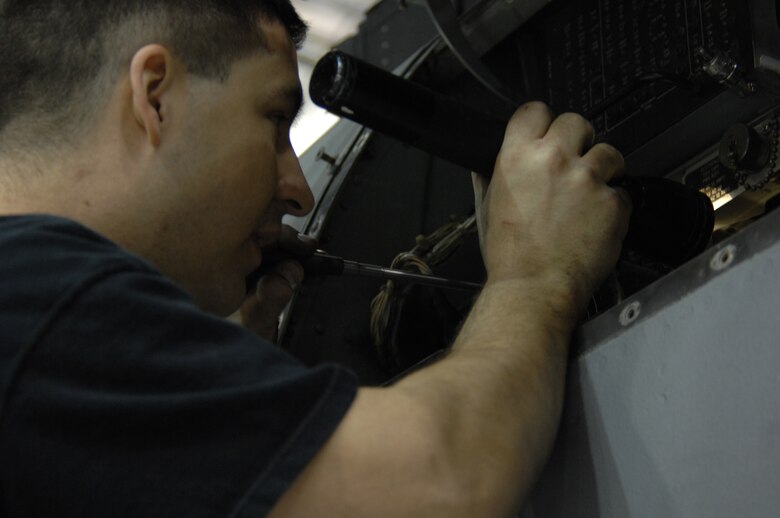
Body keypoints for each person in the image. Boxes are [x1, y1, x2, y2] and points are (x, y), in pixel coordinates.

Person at [0, 0, 630, 516]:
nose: (297, 191)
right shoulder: (39, 297)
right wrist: (533, 275)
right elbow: (439, 483)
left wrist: (228, 400)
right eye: (275, 119)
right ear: (155, 95)